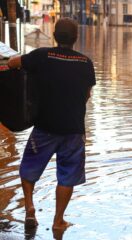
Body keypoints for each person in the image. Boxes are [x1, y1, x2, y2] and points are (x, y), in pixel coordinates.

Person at [7, 18, 96, 230]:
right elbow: (86, 95)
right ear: (76, 38)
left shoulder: (41, 56)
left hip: (44, 127)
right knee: (67, 177)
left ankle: (29, 207)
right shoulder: (86, 63)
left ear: (55, 36)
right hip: (73, 130)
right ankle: (58, 221)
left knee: (29, 169)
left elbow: (13, 63)